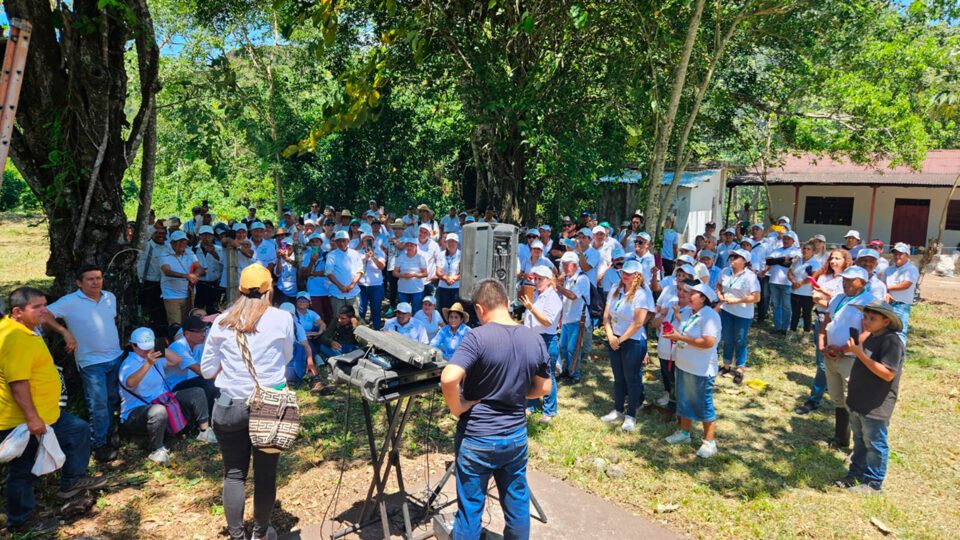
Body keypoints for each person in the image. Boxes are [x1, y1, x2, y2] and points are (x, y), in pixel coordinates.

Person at [440, 279, 551, 540]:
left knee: (470, 509)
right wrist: (516, 391)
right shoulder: (533, 337)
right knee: (517, 502)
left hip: (477, 436)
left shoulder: (477, 337)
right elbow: (544, 387)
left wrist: (458, 407)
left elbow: (448, 378)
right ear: (507, 303)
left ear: (480, 309)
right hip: (515, 436)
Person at [0, 287, 108, 535]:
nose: (44, 311)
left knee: (78, 430)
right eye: (37, 307)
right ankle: (21, 520)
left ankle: (72, 481)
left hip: (48, 414)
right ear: (17, 311)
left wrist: (62, 331)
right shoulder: (16, 339)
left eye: (45, 305)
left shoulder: (22, 328)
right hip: (24, 420)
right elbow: (18, 383)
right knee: (23, 470)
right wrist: (32, 419)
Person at [200, 264, 295, 540]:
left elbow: (207, 370)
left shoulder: (221, 321)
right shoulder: (282, 318)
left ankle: (237, 536)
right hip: (269, 404)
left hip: (230, 405)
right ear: (269, 289)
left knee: (233, 474)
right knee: (265, 476)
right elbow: (287, 357)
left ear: (240, 289)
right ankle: (261, 533)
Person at [40, 265, 124, 463]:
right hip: (91, 362)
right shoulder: (69, 301)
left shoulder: (109, 297)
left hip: (115, 357)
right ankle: (98, 444)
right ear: (79, 282)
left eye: (99, 278)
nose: (96, 282)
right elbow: (43, 314)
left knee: (113, 399)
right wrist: (64, 331)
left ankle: (110, 434)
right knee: (98, 403)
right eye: (90, 279)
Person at [119, 327, 216, 466]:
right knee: (158, 410)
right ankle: (157, 449)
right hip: (137, 412)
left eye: (149, 346)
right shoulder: (129, 363)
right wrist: (148, 364)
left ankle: (204, 430)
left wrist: (160, 348)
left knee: (196, 392)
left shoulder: (155, 358)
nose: (147, 351)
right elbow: (130, 382)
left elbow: (177, 360)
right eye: (143, 348)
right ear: (133, 346)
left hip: (163, 400)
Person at [838, 300, 905, 494]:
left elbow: (888, 373)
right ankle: (856, 474)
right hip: (858, 400)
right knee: (859, 441)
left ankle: (874, 484)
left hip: (876, 404)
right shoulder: (870, 336)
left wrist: (859, 353)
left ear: (886, 321)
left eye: (872, 318)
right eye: (865, 317)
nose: (866, 321)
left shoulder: (892, 342)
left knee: (875, 444)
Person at [662, 282, 723, 459]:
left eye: (693, 294)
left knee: (703, 404)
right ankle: (684, 433)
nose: (688, 296)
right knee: (684, 400)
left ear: (703, 298)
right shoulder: (689, 313)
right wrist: (674, 334)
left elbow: (708, 342)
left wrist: (680, 338)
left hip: (701, 369)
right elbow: (686, 333)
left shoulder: (710, 316)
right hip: (684, 365)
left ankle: (709, 442)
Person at [819, 266, 875, 449]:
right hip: (831, 354)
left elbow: (866, 333)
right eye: (844, 279)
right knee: (837, 398)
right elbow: (827, 322)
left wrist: (843, 350)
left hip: (851, 358)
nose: (845, 283)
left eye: (850, 280)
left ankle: (860, 445)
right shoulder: (838, 297)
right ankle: (840, 437)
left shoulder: (869, 302)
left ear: (863, 282)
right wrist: (822, 343)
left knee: (852, 400)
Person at [795, 249, 854, 415]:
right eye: (832, 258)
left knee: (825, 363)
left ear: (846, 261)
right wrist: (827, 299)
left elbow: (841, 303)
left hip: (839, 323)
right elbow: (815, 297)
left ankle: (814, 399)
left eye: (838, 258)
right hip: (821, 319)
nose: (834, 261)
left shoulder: (847, 280)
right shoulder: (823, 276)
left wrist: (826, 295)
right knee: (821, 360)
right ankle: (826, 387)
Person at [599, 260, 654, 432]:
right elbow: (606, 316)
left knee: (632, 378)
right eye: (623, 272)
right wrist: (610, 335)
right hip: (615, 338)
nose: (625, 275)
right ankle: (618, 410)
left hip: (633, 340)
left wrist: (620, 339)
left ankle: (631, 415)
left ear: (637, 276)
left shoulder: (641, 294)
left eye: (629, 273)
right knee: (618, 377)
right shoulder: (616, 288)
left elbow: (638, 322)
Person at [520, 266, 562, 424]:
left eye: (540, 279)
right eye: (535, 278)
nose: (536, 282)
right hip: (532, 337)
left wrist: (530, 307)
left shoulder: (553, 298)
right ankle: (532, 405)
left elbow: (547, 321)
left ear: (549, 281)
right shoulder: (536, 295)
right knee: (532, 373)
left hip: (546, 339)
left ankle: (549, 411)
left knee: (547, 375)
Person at [716, 249, 761, 384]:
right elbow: (719, 285)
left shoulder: (750, 276)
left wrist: (737, 300)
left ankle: (740, 367)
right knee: (727, 338)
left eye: (736, 257)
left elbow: (756, 297)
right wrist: (720, 295)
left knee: (740, 339)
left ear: (744, 261)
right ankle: (726, 365)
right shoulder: (725, 271)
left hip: (743, 313)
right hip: (726, 310)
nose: (732, 258)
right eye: (732, 256)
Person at [165, 315, 218, 411]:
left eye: (204, 330)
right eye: (199, 331)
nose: (203, 334)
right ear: (187, 334)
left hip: (192, 381)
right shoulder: (178, 347)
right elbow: (199, 370)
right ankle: (208, 417)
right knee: (208, 383)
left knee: (213, 383)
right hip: (175, 386)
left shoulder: (198, 344)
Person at [555, 251, 590, 384]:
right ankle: (568, 369)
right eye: (562, 264)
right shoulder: (568, 278)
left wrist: (558, 286)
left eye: (566, 264)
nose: (563, 267)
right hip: (567, 318)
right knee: (563, 347)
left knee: (572, 349)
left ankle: (575, 374)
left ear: (575, 265)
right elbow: (565, 300)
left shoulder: (582, 279)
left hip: (578, 319)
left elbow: (572, 296)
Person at [161, 230, 202, 325]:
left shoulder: (189, 252)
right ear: (171, 243)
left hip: (189, 293)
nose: (181, 244)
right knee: (176, 324)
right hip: (172, 295)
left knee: (188, 322)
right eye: (177, 241)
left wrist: (195, 275)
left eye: (183, 241)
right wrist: (186, 276)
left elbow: (199, 267)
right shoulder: (164, 253)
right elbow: (167, 271)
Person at [884, 243, 918, 345]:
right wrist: (886, 292)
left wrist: (888, 288)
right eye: (895, 254)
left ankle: (899, 352)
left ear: (907, 255)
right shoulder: (889, 269)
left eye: (900, 254)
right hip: (888, 303)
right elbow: (883, 282)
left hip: (901, 304)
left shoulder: (911, 269)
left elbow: (906, 284)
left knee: (900, 331)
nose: (897, 256)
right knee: (886, 329)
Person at [765, 231, 799, 335]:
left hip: (787, 282)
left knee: (786, 306)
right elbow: (768, 262)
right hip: (773, 281)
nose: (786, 241)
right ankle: (778, 327)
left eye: (788, 239)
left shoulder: (796, 251)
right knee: (776, 305)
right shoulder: (776, 250)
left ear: (793, 241)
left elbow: (790, 264)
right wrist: (783, 259)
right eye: (784, 239)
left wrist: (776, 260)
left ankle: (785, 328)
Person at [138, 225, 169, 333]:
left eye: (163, 233)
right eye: (157, 233)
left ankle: (163, 334)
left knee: (163, 311)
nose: (161, 235)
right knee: (150, 311)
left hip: (165, 284)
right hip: (149, 283)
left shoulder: (168, 247)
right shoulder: (146, 246)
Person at [787, 241, 821, 342]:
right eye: (804, 248)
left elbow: (813, 276)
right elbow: (790, 272)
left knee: (806, 314)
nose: (805, 250)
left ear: (813, 252)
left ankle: (806, 334)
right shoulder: (797, 260)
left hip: (807, 293)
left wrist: (800, 283)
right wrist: (793, 281)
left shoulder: (815, 263)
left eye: (808, 249)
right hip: (795, 292)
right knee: (795, 313)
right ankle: (792, 332)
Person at [326, 230, 364, 317]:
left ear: (348, 241)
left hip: (353, 292)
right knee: (338, 318)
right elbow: (329, 273)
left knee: (355, 318)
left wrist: (352, 285)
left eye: (344, 240)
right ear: (336, 242)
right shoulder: (331, 255)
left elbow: (360, 271)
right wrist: (340, 286)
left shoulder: (355, 254)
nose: (342, 243)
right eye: (339, 241)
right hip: (336, 293)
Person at [301, 233, 333, 325]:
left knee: (329, 315)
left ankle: (328, 332)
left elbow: (328, 271)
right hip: (313, 291)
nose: (315, 243)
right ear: (310, 244)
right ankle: (319, 332)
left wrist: (314, 273)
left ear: (321, 243)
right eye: (312, 242)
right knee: (317, 316)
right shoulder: (307, 255)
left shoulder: (327, 254)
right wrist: (311, 262)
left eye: (317, 241)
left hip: (327, 290)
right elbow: (305, 273)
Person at [357, 231, 387, 330]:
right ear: (362, 242)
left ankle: (376, 330)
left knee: (376, 309)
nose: (367, 242)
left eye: (370, 239)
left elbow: (382, 267)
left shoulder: (379, 252)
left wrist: (373, 257)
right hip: (361, 285)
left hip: (376, 285)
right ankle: (360, 331)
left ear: (373, 241)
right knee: (361, 310)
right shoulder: (358, 253)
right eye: (365, 240)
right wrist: (364, 258)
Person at [195, 225, 225, 313]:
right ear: (199, 236)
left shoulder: (220, 249)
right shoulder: (193, 249)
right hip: (199, 284)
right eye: (204, 235)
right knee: (199, 309)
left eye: (209, 235)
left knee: (214, 310)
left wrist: (213, 253)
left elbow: (224, 263)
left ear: (213, 236)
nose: (206, 237)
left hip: (214, 285)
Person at [394, 235, 429, 309]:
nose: (409, 248)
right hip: (403, 289)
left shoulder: (420, 258)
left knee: (416, 310)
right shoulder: (400, 257)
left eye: (411, 246)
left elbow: (425, 273)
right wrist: (403, 276)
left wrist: (414, 275)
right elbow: (394, 273)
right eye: (407, 245)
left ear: (416, 247)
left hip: (417, 289)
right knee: (404, 310)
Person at [436, 233, 462, 313]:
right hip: (442, 288)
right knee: (442, 312)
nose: (451, 244)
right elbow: (438, 272)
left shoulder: (462, 255)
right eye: (449, 241)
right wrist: (446, 279)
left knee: (456, 312)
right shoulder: (441, 255)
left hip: (456, 288)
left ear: (457, 243)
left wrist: (453, 279)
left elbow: (464, 273)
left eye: (453, 241)